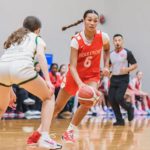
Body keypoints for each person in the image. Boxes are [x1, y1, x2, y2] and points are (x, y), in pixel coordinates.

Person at [0, 16, 62, 149]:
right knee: (49, 96)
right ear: (38, 30)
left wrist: (8, 87)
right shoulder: (37, 38)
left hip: (2, 71)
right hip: (21, 69)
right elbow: (40, 56)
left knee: (0, 108)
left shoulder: (14, 40)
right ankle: (44, 137)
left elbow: (8, 63)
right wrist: (48, 80)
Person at [53, 9, 110, 143]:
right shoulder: (76, 40)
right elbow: (72, 66)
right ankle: (41, 132)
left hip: (92, 76)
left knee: (89, 101)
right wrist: (80, 84)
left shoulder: (103, 37)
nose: (92, 23)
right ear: (84, 21)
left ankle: (69, 132)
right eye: (89, 20)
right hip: (75, 76)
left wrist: (106, 65)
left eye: (95, 21)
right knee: (57, 107)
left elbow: (107, 49)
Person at [109, 34, 137, 126]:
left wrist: (127, 69)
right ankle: (120, 120)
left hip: (123, 78)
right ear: (113, 42)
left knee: (119, 98)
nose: (117, 42)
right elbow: (108, 66)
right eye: (115, 40)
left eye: (119, 40)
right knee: (112, 100)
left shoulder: (127, 52)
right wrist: (108, 72)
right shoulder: (111, 54)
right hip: (114, 78)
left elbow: (135, 65)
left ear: (122, 41)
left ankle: (129, 108)